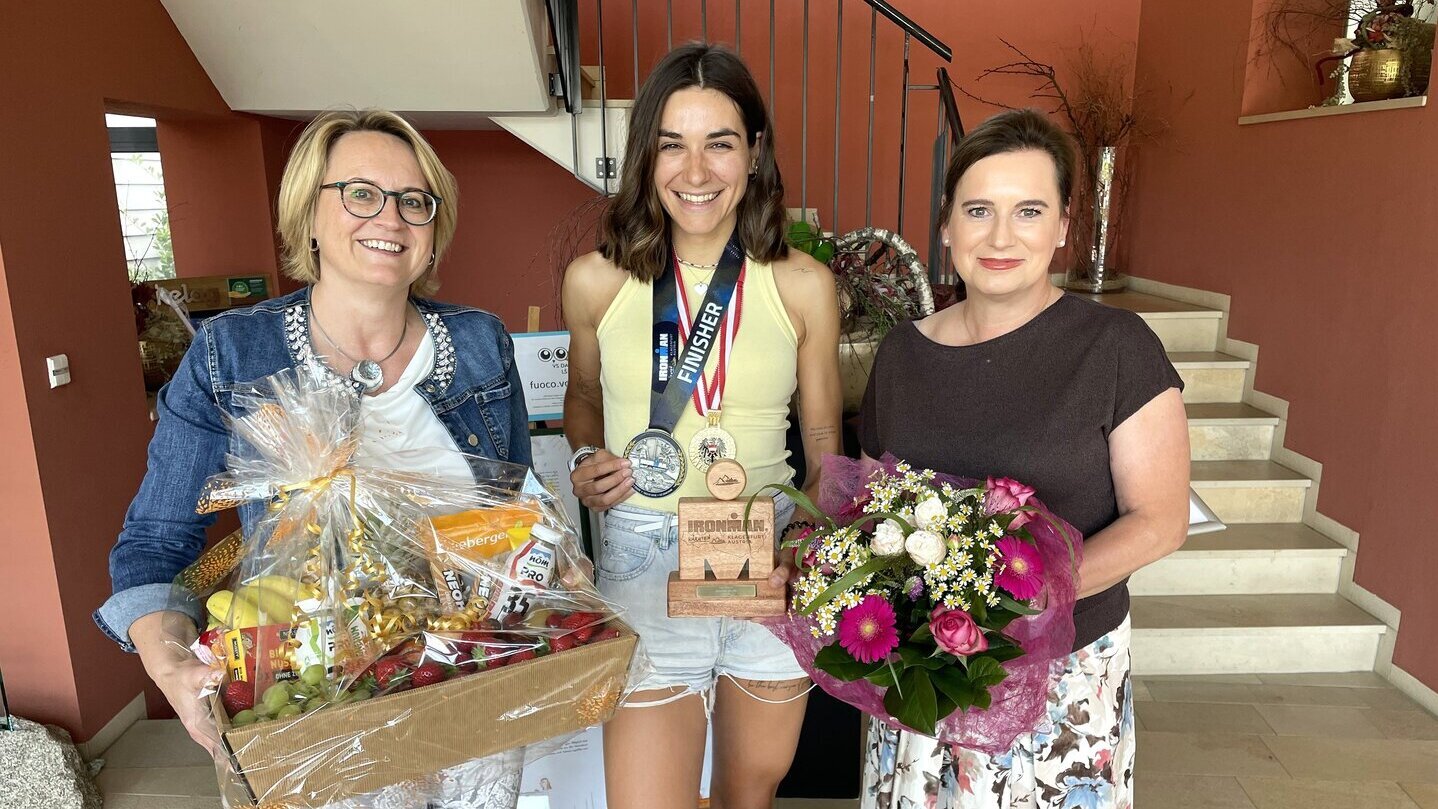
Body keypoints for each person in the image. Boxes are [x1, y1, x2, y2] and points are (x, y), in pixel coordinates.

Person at [95, 109, 531, 807]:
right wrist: (167, 656)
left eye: (414, 201)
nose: (390, 217)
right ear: (309, 214)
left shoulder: (480, 342)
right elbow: (155, 541)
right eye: (360, 193)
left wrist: (554, 561)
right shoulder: (231, 354)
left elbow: (516, 507)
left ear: (432, 232)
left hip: (471, 682)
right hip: (317, 698)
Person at [857, 108, 1190, 808]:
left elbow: (1159, 519)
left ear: (1064, 225)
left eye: (1028, 210)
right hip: (923, 673)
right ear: (945, 225)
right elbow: (872, 504)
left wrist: (1027, 600)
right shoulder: (902, 354)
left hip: (1060, 677)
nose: (1001, 236)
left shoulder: (1116, 348)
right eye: (978, 210)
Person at [562, 44, 842, 809]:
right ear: (644, 157)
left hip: (770, 551)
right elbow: (581, 396)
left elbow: (823, 448)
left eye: (719, 142)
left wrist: (808, 550)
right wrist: (586, 453)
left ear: (753, 153)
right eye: (671, 143)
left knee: (748, 794)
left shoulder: (804, 285)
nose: (695, 170)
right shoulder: (597, 280)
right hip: (644, 551)